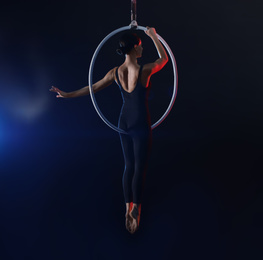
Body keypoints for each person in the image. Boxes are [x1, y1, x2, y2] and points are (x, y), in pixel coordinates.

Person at [50, 27, 168, 234]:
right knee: (140, 167)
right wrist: (153, 35)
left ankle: (126, 208)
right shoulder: (145, 70)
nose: (142, 49)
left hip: (124, 122)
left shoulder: (115, 72)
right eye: (140, 46)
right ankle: (136, 211)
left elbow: (92, 88)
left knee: (128, 165)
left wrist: (67, 95)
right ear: (133, 49)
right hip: (140, 121)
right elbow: (164, 59)